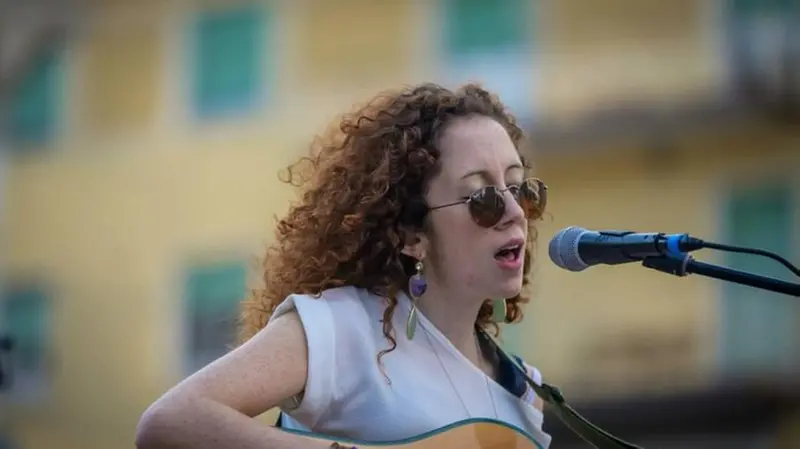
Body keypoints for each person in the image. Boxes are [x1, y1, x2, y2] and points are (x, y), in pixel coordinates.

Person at [134, 82, 551, 449]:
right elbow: (171, 422)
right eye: (481, 197)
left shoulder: (523, 390)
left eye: (519, 189)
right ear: (411, 236)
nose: (514, 211)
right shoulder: (342, 328)